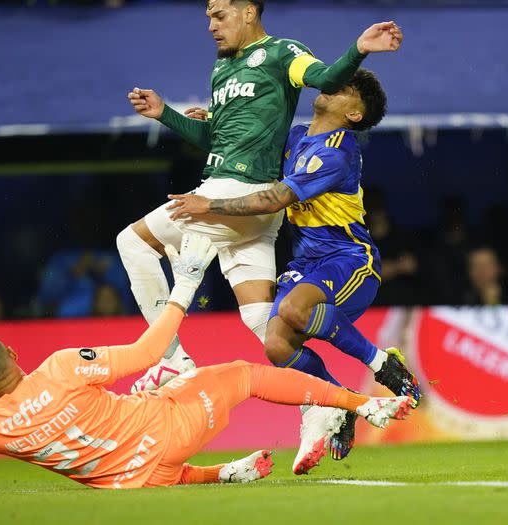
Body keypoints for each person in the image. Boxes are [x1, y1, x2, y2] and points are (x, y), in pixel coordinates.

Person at [0, 234, 416, 488]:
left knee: (134, 442)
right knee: (246, 374)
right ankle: (361, 404)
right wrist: (185, 284)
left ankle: (224, 475)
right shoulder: (60, 367)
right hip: (170, 429)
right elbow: (146, 347)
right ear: (12, 353)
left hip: (134, 478)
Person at [121, 0, 403, 392]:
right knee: (266, 328)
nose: (211, 26)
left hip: (266, 210)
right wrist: (167, 114)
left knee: (132, 242)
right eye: (208, 17)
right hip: (272, 225)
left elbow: (326, 75)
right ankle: (334, 405)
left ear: (248, 12)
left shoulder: (285, 56)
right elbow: (225, 140)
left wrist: (359, 49)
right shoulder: (240, 83)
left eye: (219, 16)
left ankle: (170, 359)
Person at [165, 69, 420, 475]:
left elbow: (276, 198)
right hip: (305, 263)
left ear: (354, 114)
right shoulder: (299, 134)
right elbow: (254, 143)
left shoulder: (338, 153)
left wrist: (209, 205)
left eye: (346, 89)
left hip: (349, 258)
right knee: (276, 345)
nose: (331, 87)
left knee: (295, 311)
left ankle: (382, 364)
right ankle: (340, 401)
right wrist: (213, 122)